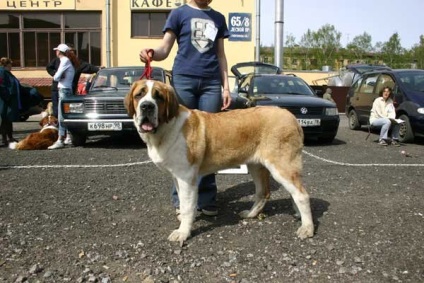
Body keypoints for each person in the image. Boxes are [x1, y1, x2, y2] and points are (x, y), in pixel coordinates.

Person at [139, 0, 231, 217]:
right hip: (183, 80)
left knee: (209, 141)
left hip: (210, 83)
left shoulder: (218, 17)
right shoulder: (179, 13)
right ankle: (180, 199)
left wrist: (226, 87)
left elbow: (220, 55)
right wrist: (151, 52)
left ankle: (207, 198)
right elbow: (165, 48)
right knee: (179, 141)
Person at [46, 44, 101, 144]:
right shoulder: (57, 60)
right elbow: (49, 68)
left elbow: (89, 67)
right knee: (58, 112)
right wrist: (55, 73)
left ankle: (64, 137)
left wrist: (99, 69)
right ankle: (62, 135)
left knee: (65, 113)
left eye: (71, 51)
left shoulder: (74, 62)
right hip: (57, 89)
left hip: (67, 89)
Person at [48, 43, 79, 150]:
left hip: (63, 90)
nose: (55, 52)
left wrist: (59, 75)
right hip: (67, 89)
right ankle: (68, 137)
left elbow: (56, 77)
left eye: (56, 50)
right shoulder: (68, 60)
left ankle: (60, 139)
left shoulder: (64, 60)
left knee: (62, 116)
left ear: (59, 52)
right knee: (66, 114)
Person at [0, 57, 20, 146]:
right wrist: (7, 97)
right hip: (4, 100)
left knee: (8, 119)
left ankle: (10, 137)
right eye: (11, 64)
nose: (12, 66)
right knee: (5, 119)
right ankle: (4, 139)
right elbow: (1, 85)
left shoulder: (7, 73)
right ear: (7, 64)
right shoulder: (2, 72)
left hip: (8, 100)